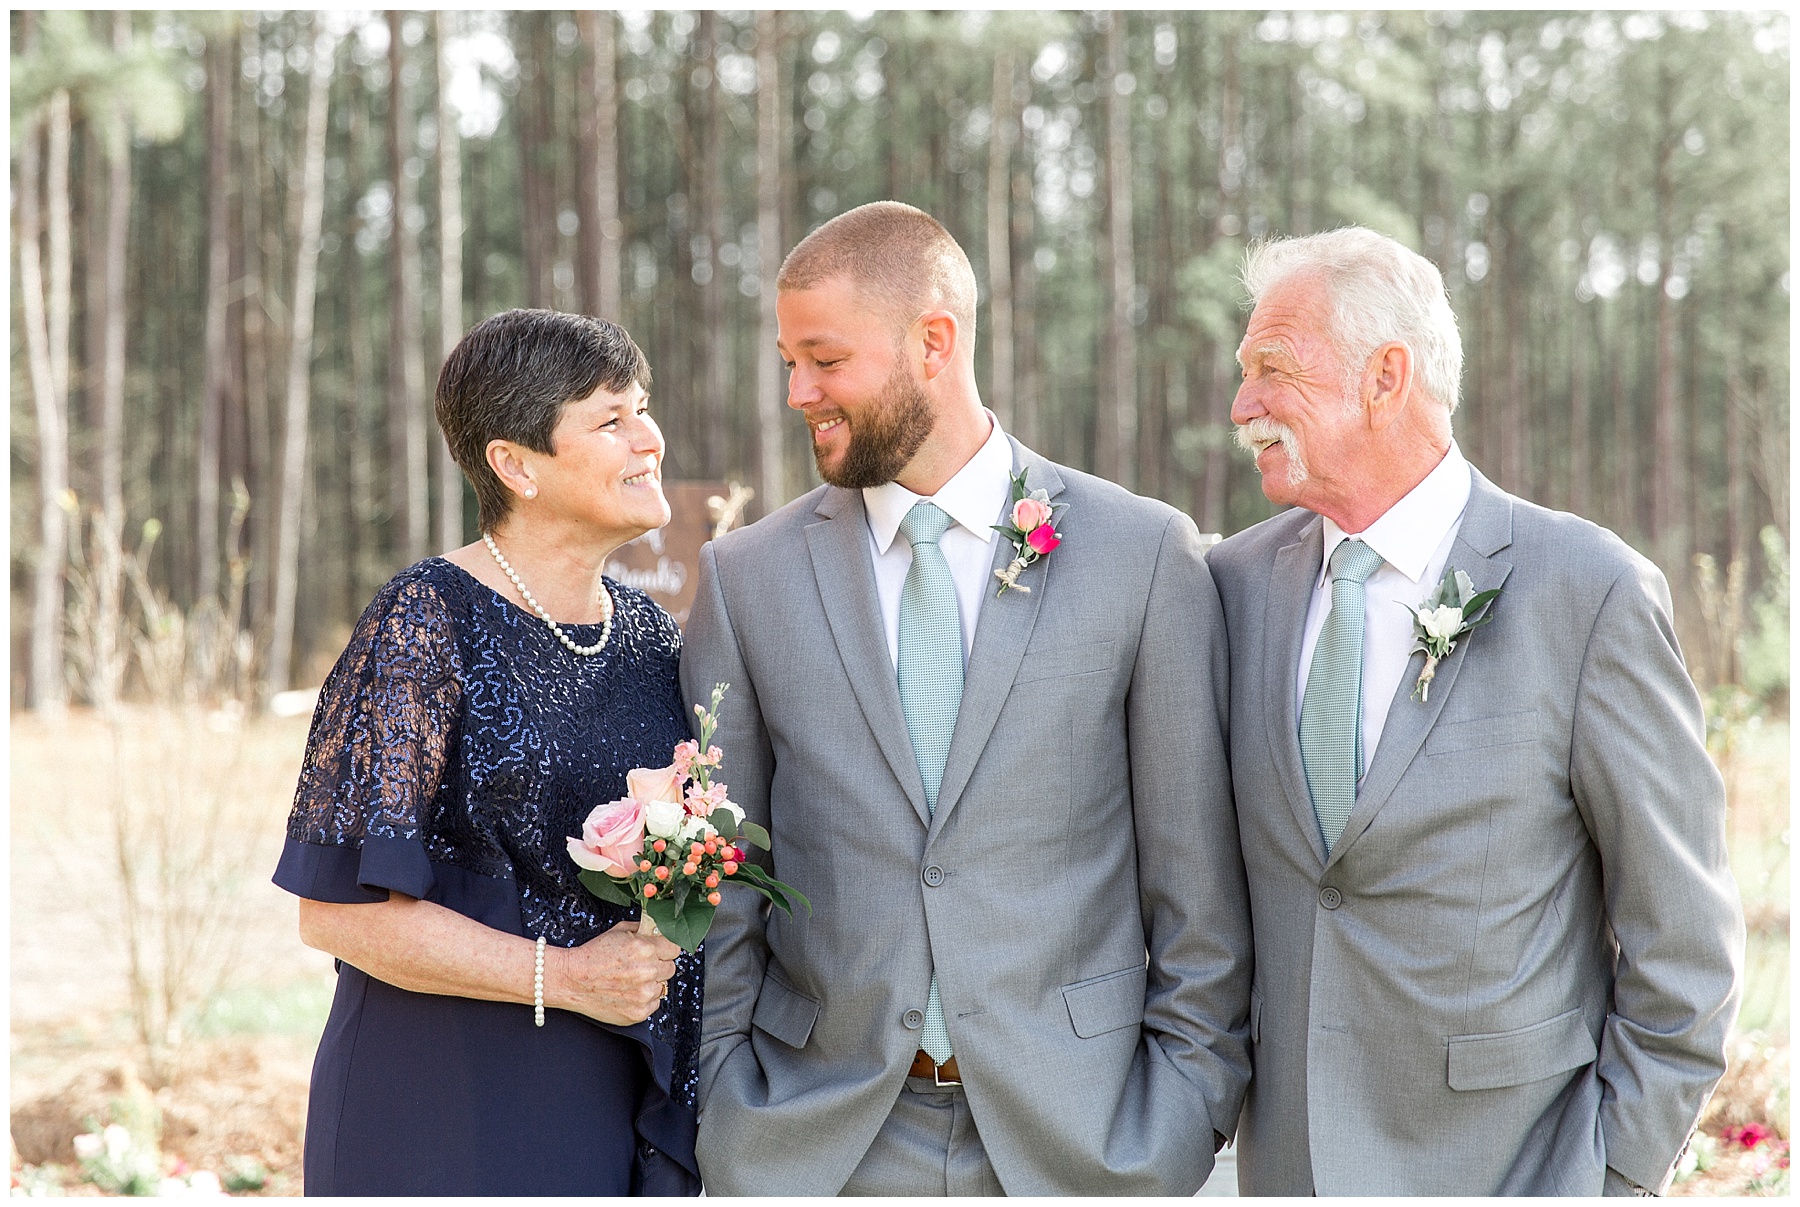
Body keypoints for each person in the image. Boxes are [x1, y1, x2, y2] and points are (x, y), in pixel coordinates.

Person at [679, 201, 1251, 1195]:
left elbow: (1194, 876)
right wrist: (732, 1105)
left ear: (933, 342)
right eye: (787, 361)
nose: (796, 391)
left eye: (823, 359)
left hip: (1085, 1141)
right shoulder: (745, 578)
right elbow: (727, 885)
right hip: (824, 1142)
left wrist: (1180, 1115)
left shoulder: (1143, 553)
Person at [1207, 226, 1744, 1196]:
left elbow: (1687, 952)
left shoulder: (1587, 592)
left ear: (1386, 376)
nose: (1242, 406)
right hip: (1287, 1172)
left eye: (1272, 370)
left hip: (1513, 1172)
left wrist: (1611, 1177)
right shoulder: (1230, 590)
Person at [272, 309, 701, 1196]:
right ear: (515, 464)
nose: (649, 438)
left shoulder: (650, 636)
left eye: (644, 407)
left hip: (606, 1093)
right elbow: (337, 913)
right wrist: (572, 976)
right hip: (437, 1101)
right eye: (611, 417)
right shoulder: (425, 623)